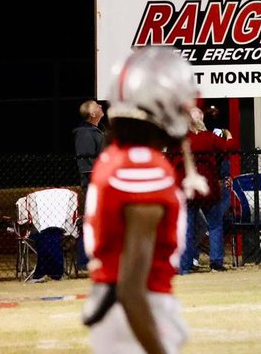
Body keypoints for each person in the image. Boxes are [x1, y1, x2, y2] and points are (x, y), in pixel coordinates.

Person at [81, 45, 207, 354]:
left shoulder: (119, 155)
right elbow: (131, 288)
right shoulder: (143, 168)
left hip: (118, 307)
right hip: (137, 309)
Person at [168, 108, 233, 273]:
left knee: (187, 227)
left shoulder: (179, 140)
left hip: (187, 188)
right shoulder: (210, 138)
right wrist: (229, 136)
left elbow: (170, 158)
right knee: (215, 224)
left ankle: (184, 265)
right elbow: (228, 148)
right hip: (207, 188)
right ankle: (216, 262)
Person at [74, 99, 106, 271]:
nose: (101, 107)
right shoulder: (85, 133)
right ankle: (85, 260)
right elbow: (86, 164)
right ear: (92, 114)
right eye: (97, 106)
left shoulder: (95, 131)